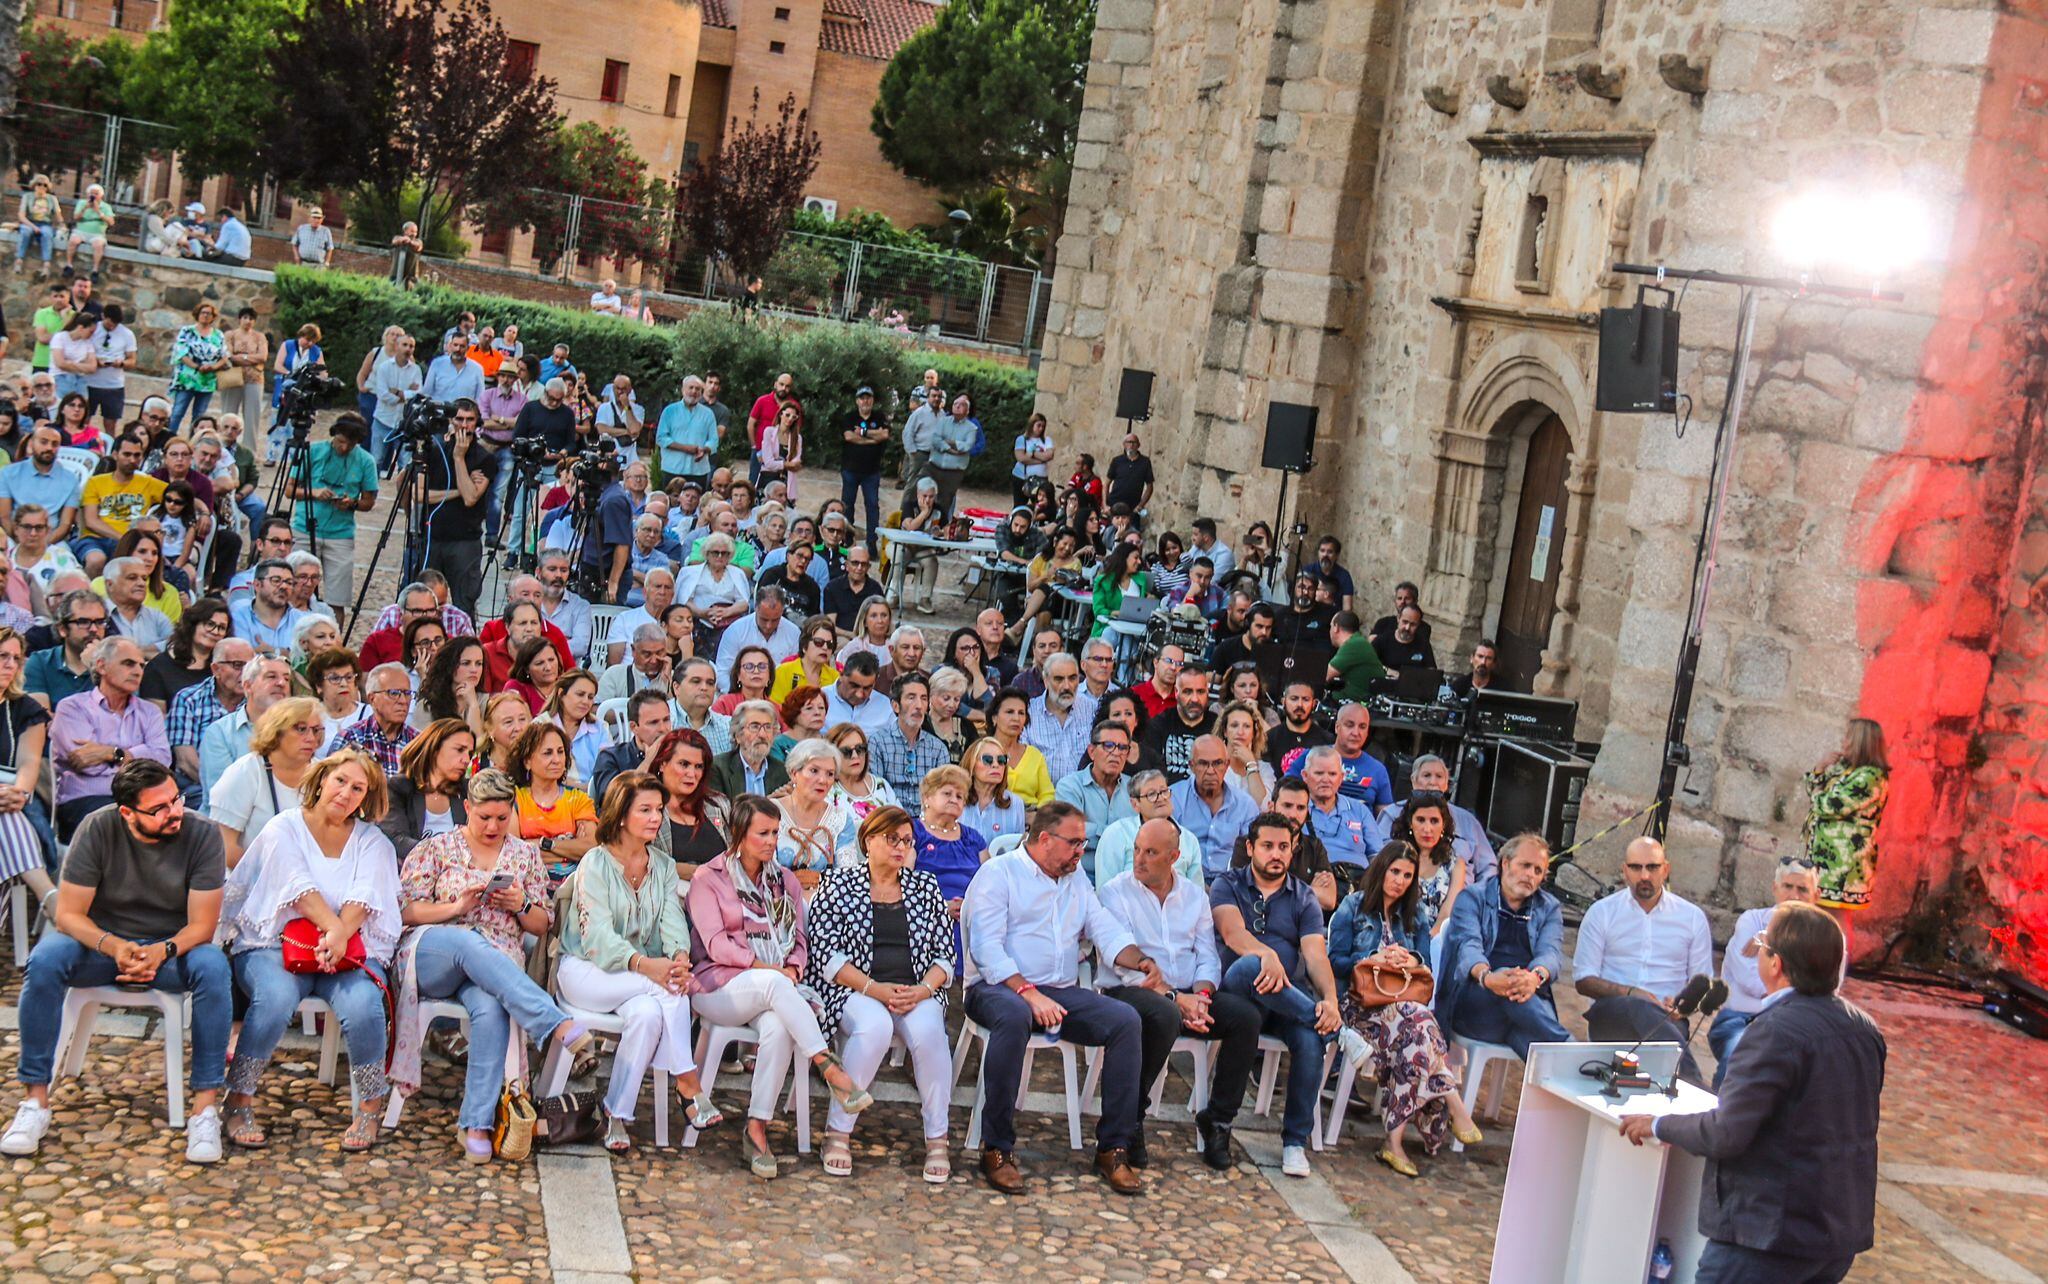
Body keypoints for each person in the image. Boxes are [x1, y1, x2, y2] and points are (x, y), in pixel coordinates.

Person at [1619, 902, 1885, 1284]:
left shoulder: (1774, 1031)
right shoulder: (1864, 1028)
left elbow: (1727, 1133)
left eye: (1762, 945)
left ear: (1776, 963)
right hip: (1835, 1232)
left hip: (1769, 1235)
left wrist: (1658, 1125)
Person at [1, 760, 231, 1163]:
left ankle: (205, 1110)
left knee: (213, 966)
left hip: (173, 949)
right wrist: (114, 947)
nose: (174, 811)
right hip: (102, 947)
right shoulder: (98, 827)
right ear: (128, 812)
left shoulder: (201, 832)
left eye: (175, 799)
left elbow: (203, 926)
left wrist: (161, 951)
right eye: (158, 808)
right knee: (45, 959)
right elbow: (69, 915)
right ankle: (35, 1102)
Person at [963, 801, 1161, 1194]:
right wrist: (1027, 992)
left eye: (1083, 843)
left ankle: (1113, 1148)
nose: (1080, 852)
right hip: (996, 987)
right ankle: (996, 1149)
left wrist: (1140, 961)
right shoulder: (999, 874)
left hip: (1059, 990)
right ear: (1044, 839)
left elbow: (1103, 928)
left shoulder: (1074, 880)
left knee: (1126, 1021)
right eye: (1073, 843)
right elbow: (986, 949)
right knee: (1015, 1016)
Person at [391, 766, 588, 1162]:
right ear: (467, 808)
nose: (494, 826)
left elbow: (542, 923)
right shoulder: (437, 848)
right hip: (435, 950)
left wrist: (520, 905)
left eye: (502, 817)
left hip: (495, 964)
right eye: (484, 818)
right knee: (467, 940)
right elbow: (406, 912)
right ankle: (551, 1022)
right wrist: (457, 906)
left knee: (491, 1007)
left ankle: (477, 1124)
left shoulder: (525, 855)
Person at [217, 752, 397, 1151]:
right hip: (274, 943)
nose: (346, 793)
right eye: (340, 781)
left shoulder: (372, 841)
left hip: (348, 951)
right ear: (321, 779)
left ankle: (370, 1107)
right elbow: (296, 887)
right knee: (276, 997)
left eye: (358, 788)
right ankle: (239, 1098)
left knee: (365, 1002)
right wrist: (332, 928)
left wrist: (338, 936)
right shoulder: (284, 828)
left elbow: (364, 897)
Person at [687, 795, 873, 1178]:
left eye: (776, 832)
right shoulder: (710, 878)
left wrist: (792, 967)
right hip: (717, 987)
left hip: (772, 989)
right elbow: (716, 944)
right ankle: (829, 1067)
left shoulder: (784, 880)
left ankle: (756, 1129)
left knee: (778, 1027)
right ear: (739, 834)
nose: (772, 841)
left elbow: (801, 940)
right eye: (763, 833)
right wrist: (767, 968)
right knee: (775, 986)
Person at [554, 772, 722, 1152]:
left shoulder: (661, 864)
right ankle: (688, 1080)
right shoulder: (595, 864)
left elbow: (672, 920)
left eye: (658, 810)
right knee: (664, 986)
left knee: (648, 1012)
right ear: (620, 814)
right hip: (585, 971)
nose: (655, 818)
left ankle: (616, 1115)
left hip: (638, 976)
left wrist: (678, 956)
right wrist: (650, 967)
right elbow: (596, 939)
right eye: (644, 810)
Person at [1098, 816, 1265, 1171]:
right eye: (1137, 850)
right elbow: (1125, 965)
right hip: (1130, 992)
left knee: (1245, 1017)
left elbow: (1207, 954)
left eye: (1151, 852)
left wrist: (1202, 996)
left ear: (1174, 857)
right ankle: (1132, 1117)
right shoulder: (1115, 891)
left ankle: (1218, 1120)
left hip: (1190, 992)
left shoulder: (1193, 896)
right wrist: (1176, 998)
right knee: (1164, 1014)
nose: (1139, 859)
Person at [801, 806, 956, 1179]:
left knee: (931, 1032)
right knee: (875, 1029)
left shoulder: (926, 887)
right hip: (855, 990)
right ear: (869, 840)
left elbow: (945, 955)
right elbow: (825, 955)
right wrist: (874, 988)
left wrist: (921, 990)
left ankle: (937, 1138)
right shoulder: (837, 884)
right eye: (892, 839)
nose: (901, 847)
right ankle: (838, 1132)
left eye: (907, 841)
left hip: (914, 991)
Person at [1212, 811, 1365, 1178]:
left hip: (1288, 1003)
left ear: (1294, 850)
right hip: (1238, 992)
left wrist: (1329, 1001)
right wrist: (1266, 955)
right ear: (1250, 848)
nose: (1275, 854)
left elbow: (1315, 955)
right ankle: (1339, 1035)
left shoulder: (1303, 897)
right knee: (1254, 966)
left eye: (1284, 846)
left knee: (1310, 1038)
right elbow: (1233, 935)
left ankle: (1295, 1142)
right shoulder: (1227, 884)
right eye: (1267, 846)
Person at [1327, 841, 1487, 1177]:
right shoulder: (1353, 907)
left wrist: (1409, 957)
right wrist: (1371, 959)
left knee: (1415, 1034)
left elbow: (1426, 964)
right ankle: (1452, 1101)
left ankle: (1394, 1143)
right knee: (1419, 1024)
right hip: (1361, 1008)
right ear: (1381, 870)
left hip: (1404, 1011)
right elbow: (1334, 963)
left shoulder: (1415, 914)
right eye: (1395, 872)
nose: (1400, 880)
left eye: (1407, 875)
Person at [1572, 836, 1715, 1085]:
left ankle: (1684, 1093)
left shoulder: (1692, 918)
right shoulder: (1602, 913)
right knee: (1635, 1005)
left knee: (1654, 1017)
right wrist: (1629, 992)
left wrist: (1684, 1005)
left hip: (1668, 1021)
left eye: (1652, 867)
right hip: (1611, 1015)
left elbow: (1702, 983)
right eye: (1636, 867)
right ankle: (1696, 1086)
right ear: (1625, 871)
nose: (1644, 875)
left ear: (1666, 869)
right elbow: (1583, 980)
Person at [1434, 833, 1569, 1058]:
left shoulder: (1549, 908)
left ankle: (1569, 1078)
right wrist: (1488, 977)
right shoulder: (1472, 898)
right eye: (1525, 865)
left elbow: (1551, 954)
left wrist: (1534, 978)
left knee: (1541, 1056)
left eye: (1538, 871)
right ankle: (1569, 1048)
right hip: (1475, 1003)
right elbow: (1468, 946)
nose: (1530, 875)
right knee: (1510, 984)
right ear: (1505, 863)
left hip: (1524, 1008)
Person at [1711, 859, 1820, 1089]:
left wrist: (1771, 939)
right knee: (1740, 1056)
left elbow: (1825, 991)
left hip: (1795, 1026)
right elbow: (1753, 983)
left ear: (1816, 896)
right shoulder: (1751, 921)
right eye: (1788, 887)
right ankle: (1719, 1120)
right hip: (1741, 1020)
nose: (1794, 896)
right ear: (1775, 888)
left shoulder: (1828, 936)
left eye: (1802, 889)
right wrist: (1800, 984)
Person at [51, 637, 171, 839]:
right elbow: (86, 763)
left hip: (140, 799)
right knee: (124, 825)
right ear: (101, 666)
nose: (137, 671)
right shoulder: (72, 707)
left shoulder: (150, 712)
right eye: (128, 663)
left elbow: (162, 761)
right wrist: (138, 756)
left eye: (141, 666)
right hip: (87, 800)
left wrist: (111, 753)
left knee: (179, 822)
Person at [209, 696, 325, 868]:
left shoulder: (324, 774)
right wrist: (275, 878)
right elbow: (225, 848)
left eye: (316, 730)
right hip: (253, 880)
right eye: (301, 729)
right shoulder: (244, 772)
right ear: (276, 732)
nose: (311, 738)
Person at [1802, 717, 1890, 942]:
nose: (1844, 742)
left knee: (1836, 917)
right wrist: (1820, 769)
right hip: (1825, 860)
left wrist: (1819, 792)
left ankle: (1835, 970)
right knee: (1819, 915)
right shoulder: (1846, 769)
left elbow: (1826, 805)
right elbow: (1814, 791)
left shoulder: (1870, 778)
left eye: (1848, 737)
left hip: (1844, 865)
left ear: (1861, 742)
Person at [413, 399, 494, 620]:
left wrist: (459, 457)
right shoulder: (435, 450)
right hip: (433, 536)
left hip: (465, 540)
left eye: (470, 420)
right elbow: (418, 494)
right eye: (459, 419)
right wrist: (457, 490)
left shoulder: (484, 458)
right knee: (423, 599)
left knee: (463, 604)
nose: (464, 425)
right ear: (451, 420)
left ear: (477, 423)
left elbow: (470, 498)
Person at [292, 416, 379, 608]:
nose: (345, 448)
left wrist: (352, 503)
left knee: (337, 601)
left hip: (341, 534)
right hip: (305, 528)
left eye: (351, 444)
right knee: (295, 592)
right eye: (340, 442)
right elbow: (290, 490)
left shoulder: (366, 461)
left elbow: (369, 501)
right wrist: (313, 493)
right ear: (333, 435)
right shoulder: (312, 451)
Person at [381, 717, 474, 865]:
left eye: (470, 753)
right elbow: (395, 839)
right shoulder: (399, 787)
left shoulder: (468, 791)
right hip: (412, 874)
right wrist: (445, 854)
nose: (466, 759)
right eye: (459, 750)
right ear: (435, 748)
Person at [511, 720, 596, 878]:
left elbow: (591, 847)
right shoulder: (514, 800)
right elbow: (514, 853)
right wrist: (571, 850)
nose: (557, 759)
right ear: (527, 761)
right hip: (528, 884)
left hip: (574, 885)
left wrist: (544, 844)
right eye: (547, 753)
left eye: (560, 751)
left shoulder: (578, 798)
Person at [1092, 769, 1202, 888]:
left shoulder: (1189, 839)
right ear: (1135, 804)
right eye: (1151, 794)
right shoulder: (1117, 834)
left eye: (1164, 791)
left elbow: (1196, 893)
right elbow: (1105, 891)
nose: (1161, 798)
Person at [1171, 735, 1261, 879]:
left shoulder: (1245, 805)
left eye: (1218, 763)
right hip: (1185, 884)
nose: (1211, 771)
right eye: (1203, 763)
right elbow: (1168, 853)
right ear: (1191, 766)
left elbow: (1251, 856)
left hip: (1233, 885)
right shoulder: (1173, 799)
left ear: (1227, 765)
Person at [330, 663, 420, 776]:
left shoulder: (418, 742)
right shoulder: (350, 738)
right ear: (372, 699)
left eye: (407, 693)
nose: (403, 701)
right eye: (394, 693)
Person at [0, 427, 83, 548]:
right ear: (31, 444)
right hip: (14, 537)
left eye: (55, 444)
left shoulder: (70, 480)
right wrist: (20, 541)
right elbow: (4, 516)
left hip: (51, 540)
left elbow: (65, 524)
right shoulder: (8, 473)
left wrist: (43, 544)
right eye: (43, 442)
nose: (49, 448)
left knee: (65, 563)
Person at [1140, 664, 1213, 783]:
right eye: (1188, 692)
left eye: (1200, 692)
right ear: (1176, 692)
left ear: (1207, 692)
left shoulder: (1218, 726)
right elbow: (1149, 774)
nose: (1195, 699)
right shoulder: (1158, 724)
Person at [838, 386, 889, 549]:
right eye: (862, 398)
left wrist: (863, 432)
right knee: (847, 505)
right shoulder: (849, 417)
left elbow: (885, 435)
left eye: (868, 398)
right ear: (857, 401)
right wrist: (873, 438)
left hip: (872, 471)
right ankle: (846, 538)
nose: (865, 401)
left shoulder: (880, 417)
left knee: (872, 506)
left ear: (872, 400)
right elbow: (848, 436)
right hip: (850, 469)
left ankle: (872, 542)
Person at [712, 699, 787, 799]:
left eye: (768, 727)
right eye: (755, 727)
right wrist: (769, 804)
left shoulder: (781, 771)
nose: (762, 735)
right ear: (738, 735)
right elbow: (720, 812)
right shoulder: (719, 768)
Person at [963, 736, 1027, 848]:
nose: (995, 765)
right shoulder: (954, 799)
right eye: (987, 760)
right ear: (971, 765)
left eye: (1001, 760)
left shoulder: (1016, 803)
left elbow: (1017, 852)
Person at [1373, 605, 1437, 673]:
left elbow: (1431, 672)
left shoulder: (1424, 645)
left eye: (1413, 624)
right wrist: (1387, 671)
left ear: (1418, 625)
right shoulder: (1382, 640)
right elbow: (1369, 664)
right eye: (1405, 622)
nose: (1407, 628)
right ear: (1398, 619)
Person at [1104, 433, 1154, 514]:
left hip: (1133, 508)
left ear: (1138, 445)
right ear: (1124, 445)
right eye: (1128, 442)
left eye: (1134, 442)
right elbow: (1106, 484)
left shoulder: (1145, 462)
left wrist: (1140, 506)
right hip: (1114, 504)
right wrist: (1105, 505)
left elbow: (1150, 487)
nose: (1131, 445)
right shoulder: (1117, 461)